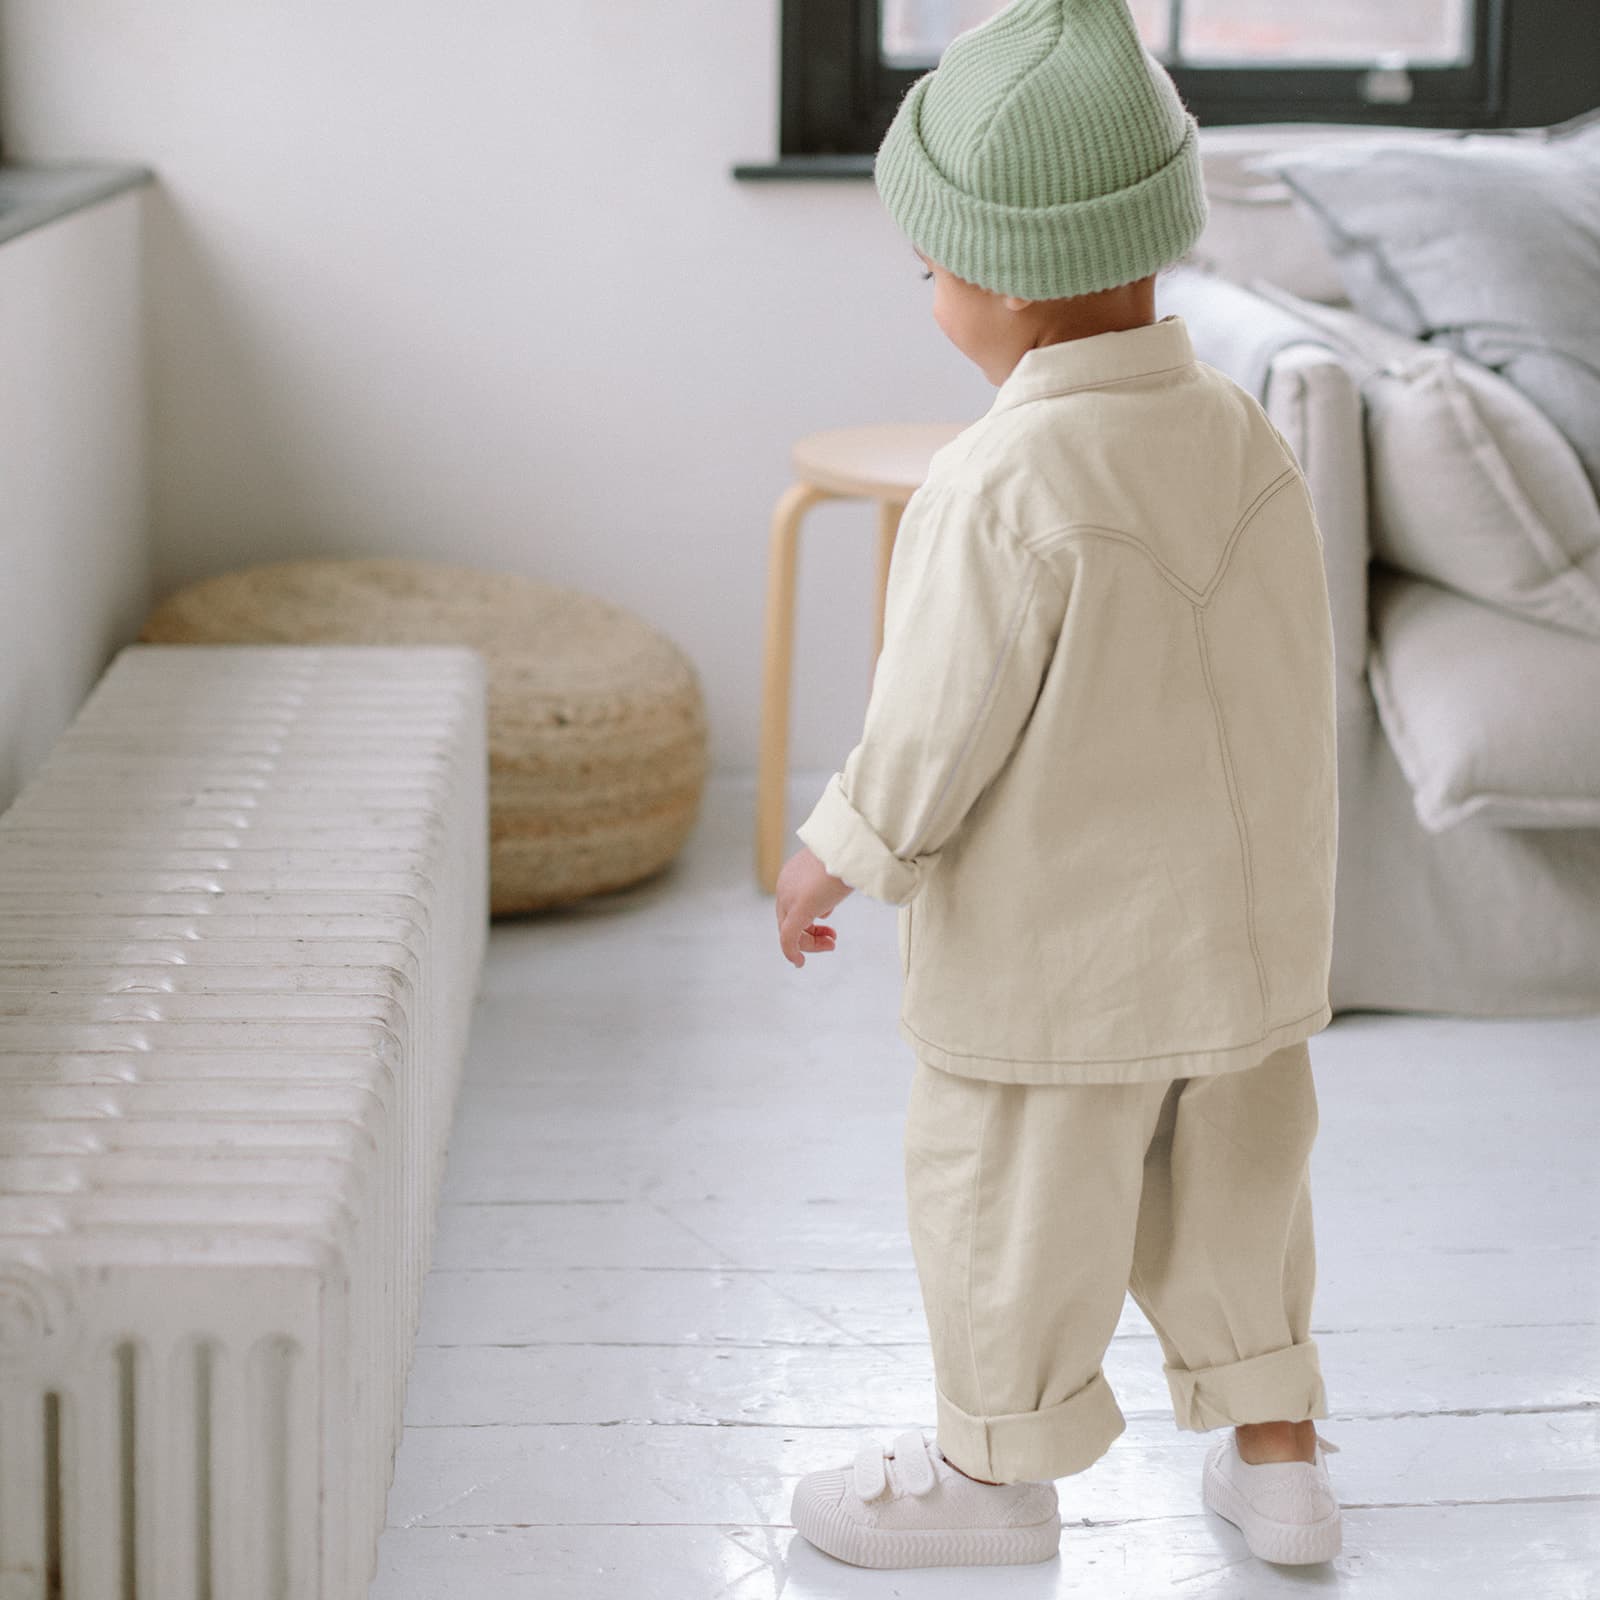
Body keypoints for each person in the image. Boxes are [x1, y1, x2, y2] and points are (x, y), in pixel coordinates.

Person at [771, 0, 1344, 1573]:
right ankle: (1281, 1468)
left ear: (1007, 278)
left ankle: (990, 1479)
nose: (927, 293)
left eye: (931, 265)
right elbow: (1284, 677)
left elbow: (935, 722)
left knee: (1009, 1214)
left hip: (1056, 973)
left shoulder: (1001, 480)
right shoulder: (1244, 438)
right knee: (1243, 1202)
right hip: (1243, 954)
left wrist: (840, 850)